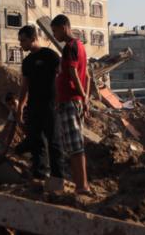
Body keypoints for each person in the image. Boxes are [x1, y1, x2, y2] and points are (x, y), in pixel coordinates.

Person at [51, 15, 92, 194]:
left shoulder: (70, 47)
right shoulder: (80, 46)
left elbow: (74, 73)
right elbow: (87, 76)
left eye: (55, 31)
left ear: (64, 27)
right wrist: (85, 97)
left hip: (69, 101)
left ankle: (82, 186)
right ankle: (81, 185)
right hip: (73, 101)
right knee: (74, 145)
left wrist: (83, 96)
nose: (54, 35)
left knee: (75, 147)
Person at [16, 24, 63, 179]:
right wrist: (20, 107)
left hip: (51, 105)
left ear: (33, 38)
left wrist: (60, 100)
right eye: (20, 41)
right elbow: (25, 86)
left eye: (23, 40)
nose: (21, 44)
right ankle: (39, 175)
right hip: (34, 106)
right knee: (36, 142)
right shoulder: (27, 62)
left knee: (54, 142)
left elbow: (61, 78)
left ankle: (57, 177)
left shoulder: (51, 56)